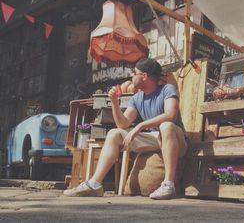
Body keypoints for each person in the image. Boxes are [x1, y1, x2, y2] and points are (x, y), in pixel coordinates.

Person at [64, 58, 187, 199]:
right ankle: (94, 184)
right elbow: (123, 124)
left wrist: (140, 125)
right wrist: (115, 103)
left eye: (134, 72)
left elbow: (171, 115)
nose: (132, 76)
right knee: (114, 133)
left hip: (175, 138)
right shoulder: (137, 98)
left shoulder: (167, 89)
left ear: (144, 76)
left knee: (166, 126)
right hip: (154, 139)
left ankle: (168, 185)